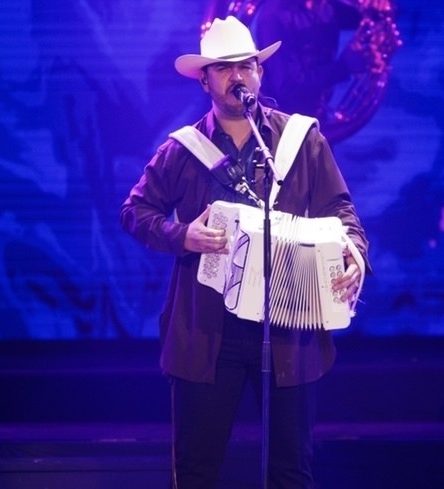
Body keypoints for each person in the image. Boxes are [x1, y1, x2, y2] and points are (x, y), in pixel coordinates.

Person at [119, 16, 370, 488]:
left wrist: (354, 253)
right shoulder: (183, 150)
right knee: (196, 470)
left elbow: (341, 209)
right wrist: (181, 235)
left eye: (248, 65)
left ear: (260, 72)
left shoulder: (300, 140)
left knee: (291, 472)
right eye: (225, 67)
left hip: (286, 329)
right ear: (205, 79)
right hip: (207, 330)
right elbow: (135, 211)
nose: (239, 76)